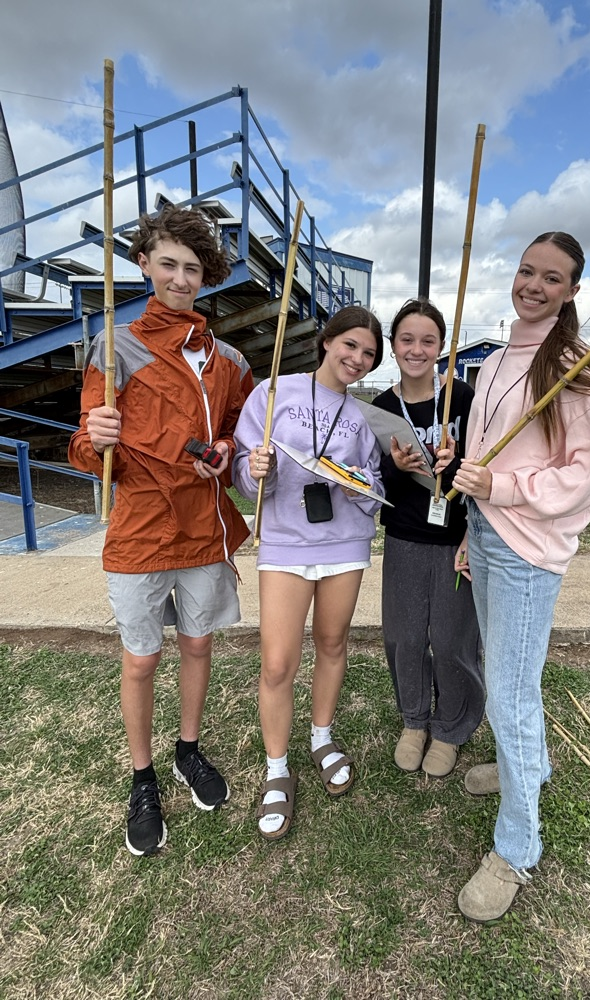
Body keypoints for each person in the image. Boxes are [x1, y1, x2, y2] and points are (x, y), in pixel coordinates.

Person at [69, 205, 254, 857]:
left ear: (206, 279)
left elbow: (239, 429)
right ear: (143, 263)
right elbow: (88, 454)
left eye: (193, 268)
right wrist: (96, 439)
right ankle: (143, 777)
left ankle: (187, 750)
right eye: (168, 263)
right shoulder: (112, 346)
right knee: (143, 659)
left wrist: (229, 449)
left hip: (203, 529)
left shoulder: (226, 356)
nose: (180, 278)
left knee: (199, 648)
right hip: (141, 531)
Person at [447, 232, 590, 922]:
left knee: (509, 697)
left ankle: (517, 849)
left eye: (552, 278)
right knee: (510, 678)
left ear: (573, 290)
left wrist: (502, 488)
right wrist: (470, 524)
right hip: (485, 534)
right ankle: (533, 770)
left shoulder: (572, 364)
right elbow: (486, 452)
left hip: (527, 548)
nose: (533, 285)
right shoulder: (498, 357)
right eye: (526, 271)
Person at [232, 305, 384, 840]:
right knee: (277, 663)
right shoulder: (274, 392)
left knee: (333, 642)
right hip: (286, 544)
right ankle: (277, 767)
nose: (357, 359)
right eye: (350, 346)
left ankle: (322, 735)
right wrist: (255, 470)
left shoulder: (360, 418)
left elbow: (376, 490)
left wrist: (358, 484)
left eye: (368, 354)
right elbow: (245, 474)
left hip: (344, 544)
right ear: (327, 341)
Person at [372, 299, 483, 777]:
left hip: (457, 537)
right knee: (404, 636)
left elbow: (486, 470)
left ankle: (450, 727)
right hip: (405, 536)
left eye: (428, 341)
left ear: (442, 347)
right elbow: (375, 483)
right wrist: (396, 470)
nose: (417, 349)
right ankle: (414, 720)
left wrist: (454, 466)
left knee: (454, 639)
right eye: (406, 340)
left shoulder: (463, 399)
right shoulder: (380, 408)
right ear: (393, 346)